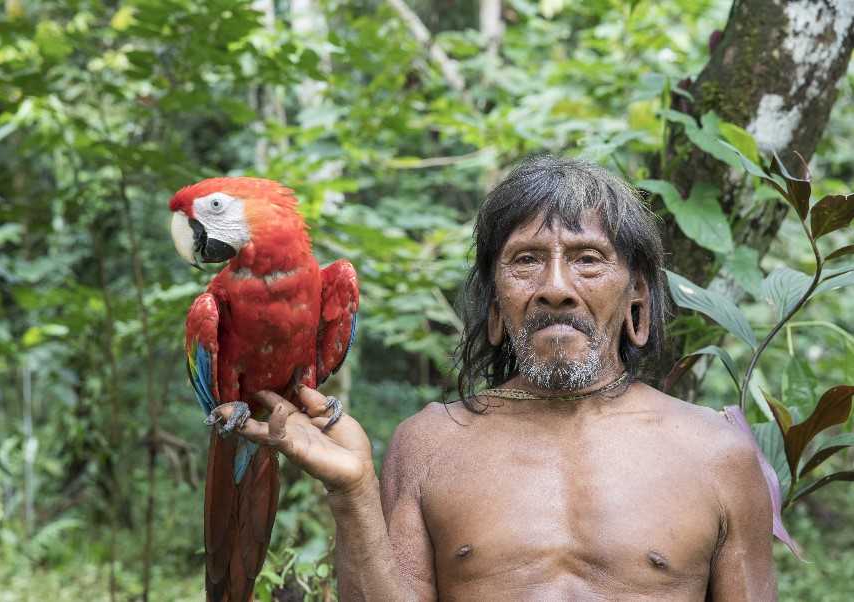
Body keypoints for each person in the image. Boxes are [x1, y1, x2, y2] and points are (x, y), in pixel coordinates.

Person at [210, 155, 776, 601]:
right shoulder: (430, 444)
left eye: (588, 259)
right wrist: (353, 492)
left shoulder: (717, 452)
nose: (555, 286)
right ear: (496, 310)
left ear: (637, 299)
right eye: (526, 260)